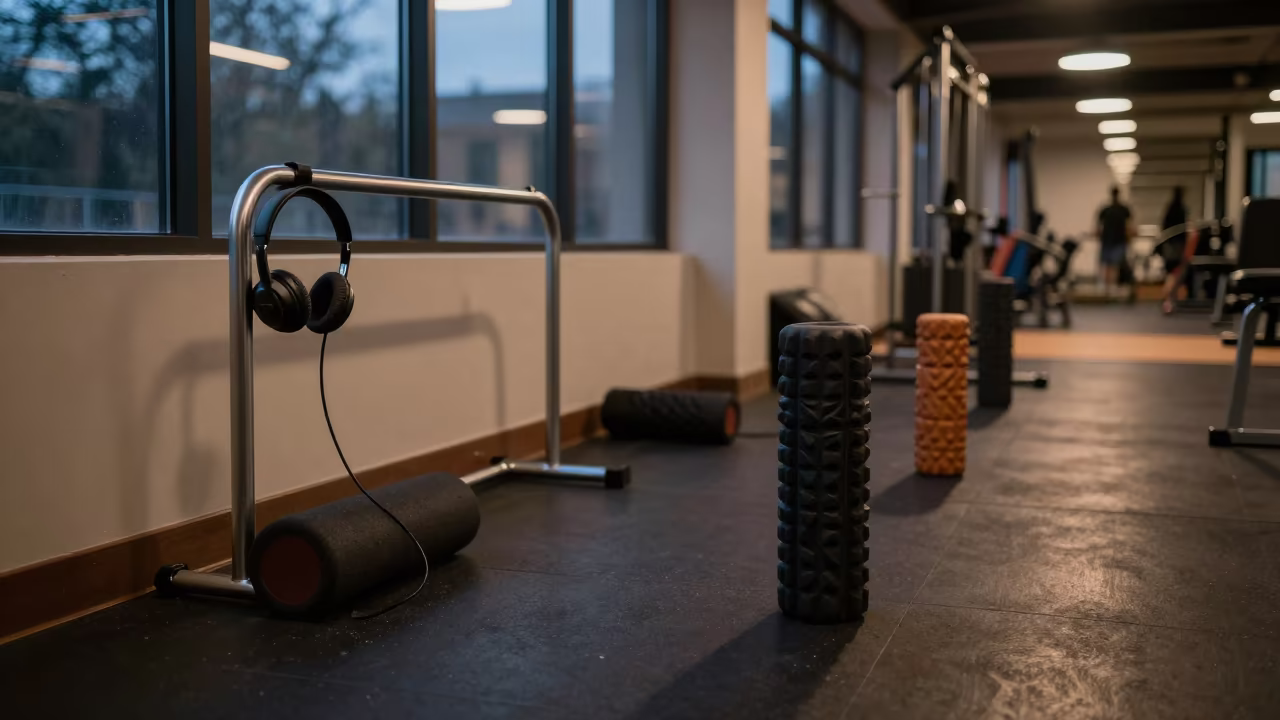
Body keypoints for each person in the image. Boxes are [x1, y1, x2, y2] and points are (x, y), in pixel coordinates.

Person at [1096, 186, 1134, 299]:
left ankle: (1109, 290)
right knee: (1113, 266)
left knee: (1111, 265)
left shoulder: (1107, 209)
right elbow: (1129, 226)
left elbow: (1099, 227)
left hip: (1112, 240)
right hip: (1114, 241)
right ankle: (1110, 290)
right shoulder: (1122, 209)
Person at [1157, 187, 1188, 314]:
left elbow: (1163, 226)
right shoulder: (1180, 209)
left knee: (1173, 273)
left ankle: (1169, 298)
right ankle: (1168, 298)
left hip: (1170, 246)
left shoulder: (1170, 209)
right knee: (1175, 272)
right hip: (1176, 246)